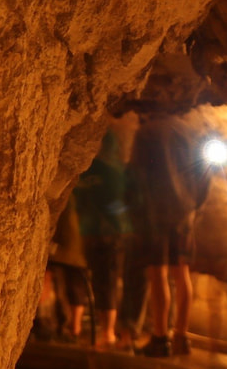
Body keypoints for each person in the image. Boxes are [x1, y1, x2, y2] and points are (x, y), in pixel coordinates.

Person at [129, 112, 213, 356]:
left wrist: (136, 211)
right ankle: (181, 337)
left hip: (155, 214)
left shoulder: (148, 132)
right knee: (182, 272)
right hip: (184, 214)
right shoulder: (192, 132)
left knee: (158, 274)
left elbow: (136, 175)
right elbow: (205, 174)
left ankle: (159, 337)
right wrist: (195, 206)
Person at [71, 130, 132, 348]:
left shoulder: (89, 169)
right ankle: (108, 333)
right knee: (109, 282)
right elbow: (128, 201)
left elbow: (77, 196)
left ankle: (91, 329)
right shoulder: (118, 171)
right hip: (113, 234)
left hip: (88, 232)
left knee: (92, 280)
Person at [47, 194, 91, 340]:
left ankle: (66, 326)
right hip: (78, 245)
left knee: (66, 284)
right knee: (74, 286)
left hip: (66, 243)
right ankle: (73, 328)